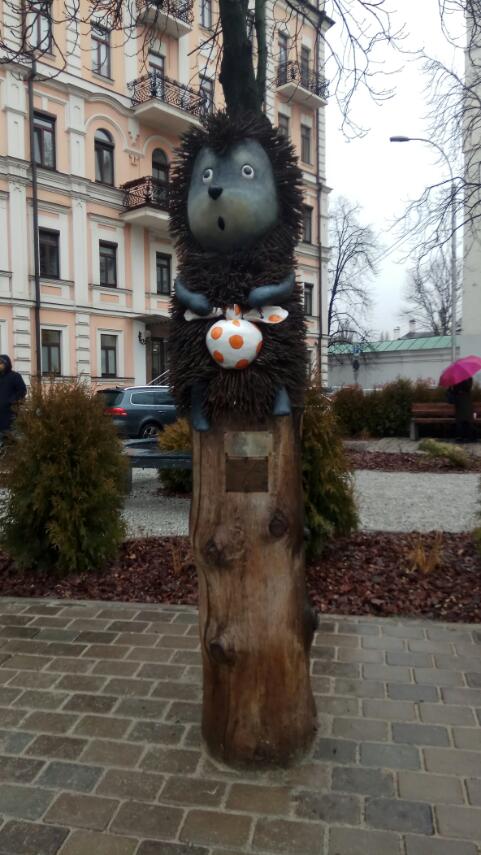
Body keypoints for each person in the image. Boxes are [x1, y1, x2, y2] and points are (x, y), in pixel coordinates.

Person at [0, 354, 27, 441]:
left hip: (10, 415)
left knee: (11, 440)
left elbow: (22, 390)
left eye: (1, 363)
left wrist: (11, 400)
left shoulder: (15, 376)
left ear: (6, 363)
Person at [448, 377, 476, 443]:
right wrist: (451, 387)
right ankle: (460, 436)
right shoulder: (456, 380)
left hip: (466, 402)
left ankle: (469, 436)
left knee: (467, 420)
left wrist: (461, 381)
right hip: (459, 403)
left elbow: (468, 387)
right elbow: (453, 391)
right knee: (460, 420)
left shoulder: (468, 378)